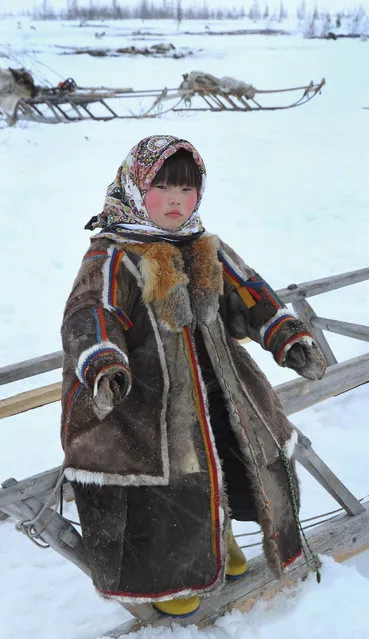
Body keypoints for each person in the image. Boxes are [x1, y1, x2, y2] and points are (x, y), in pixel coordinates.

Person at [60, 134, 326, 618]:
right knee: (166, 471)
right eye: (164, 186)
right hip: (139, 396)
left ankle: (218, 541)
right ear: (137, 188)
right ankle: (168, 575)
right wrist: (103, 361)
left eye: (188, 189)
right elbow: (88, 314)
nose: (178, 200)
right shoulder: (114, 255)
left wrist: (284, 333)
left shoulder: (206, 246)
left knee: (230, 447)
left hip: (215, 380)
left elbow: (250, 293)